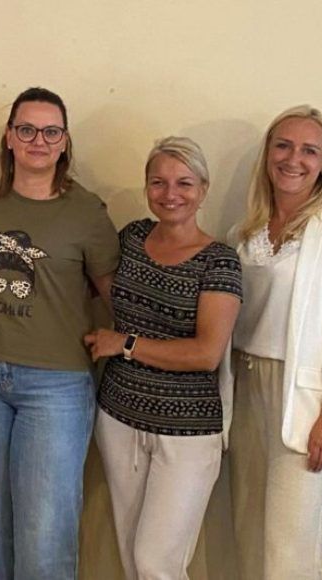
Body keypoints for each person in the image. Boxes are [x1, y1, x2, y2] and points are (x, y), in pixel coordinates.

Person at [0, 87, 120, 580]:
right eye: (27, 129)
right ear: (9, 137)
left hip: (57, 386)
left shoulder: (86, 211)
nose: (38, 141)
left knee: (44, 534)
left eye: (51, 132)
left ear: (65, 142)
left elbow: (114, 296)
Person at [228, 106, 322, 580]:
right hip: (246, 391)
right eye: (283, 146)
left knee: (289, 556)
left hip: (309, 400)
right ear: (268, 155)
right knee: (249, 539)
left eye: (309, 150)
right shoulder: (244, 234)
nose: (294, 159)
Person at [84, 137, 242, 579]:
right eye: (159, 182)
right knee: (131, 555)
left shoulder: (220, 262)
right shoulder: (132, 237)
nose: (171, 193)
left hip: (187, 432)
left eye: (184, 183)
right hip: (119, 419)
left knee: (157, 563)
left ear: (203, 189)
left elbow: (206, 353)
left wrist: (126, 344)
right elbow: (98, 287)